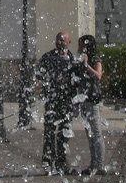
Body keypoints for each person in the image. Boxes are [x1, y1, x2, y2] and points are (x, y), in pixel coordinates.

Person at [36, 31, 77, 173]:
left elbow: (77, 78)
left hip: (67, 102)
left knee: (64, 132)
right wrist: (54, 78)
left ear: (69, 42)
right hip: (52, 101)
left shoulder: (73, 59)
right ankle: (48, 163)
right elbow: (38, 73)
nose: (60, 42)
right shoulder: (48, 57)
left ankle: (61, 163)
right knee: (49, 132)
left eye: (63, 40)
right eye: (58, 39)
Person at [74, 33, 106, 174]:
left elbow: (98, 76)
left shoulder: (95, 60)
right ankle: (92, 165)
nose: (79, 47)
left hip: (93, 101)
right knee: (90, 134)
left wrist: (87, 65)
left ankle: (100, 165)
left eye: (81, 44)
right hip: (84, 101)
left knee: (97, 133)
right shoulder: (81, 60)